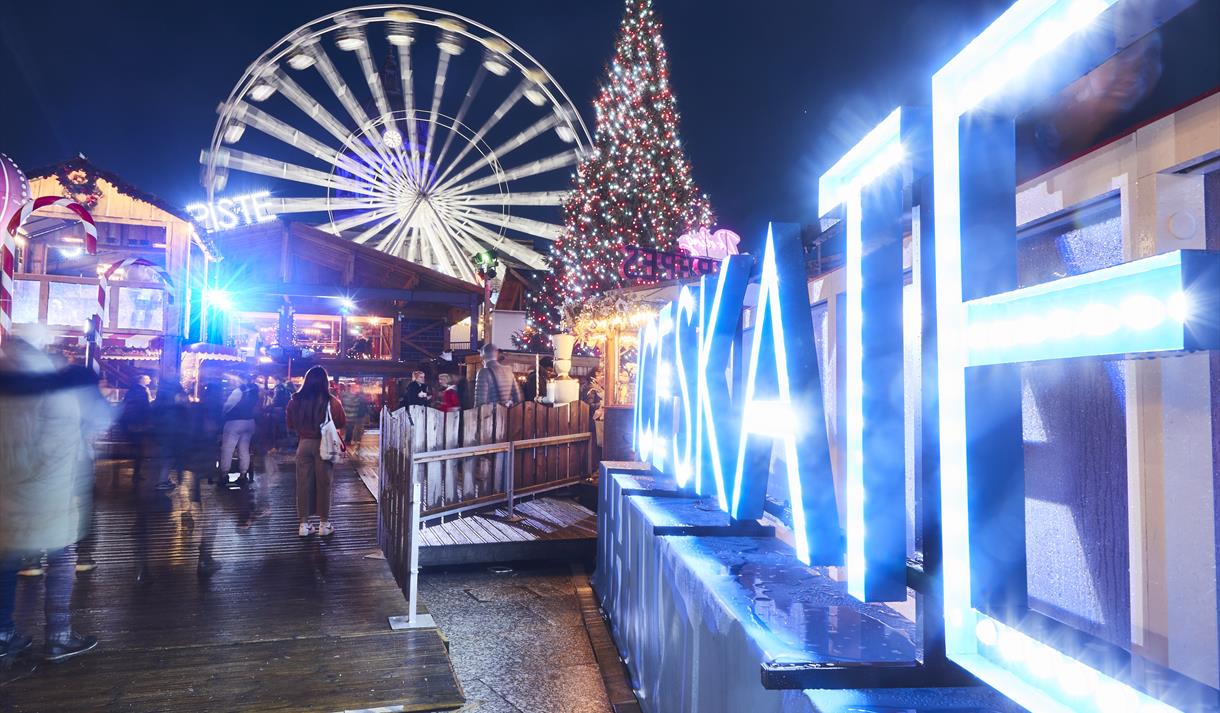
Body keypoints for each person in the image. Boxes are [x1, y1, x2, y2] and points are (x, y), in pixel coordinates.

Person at [0, 337, 101, 663]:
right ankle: (59, 635)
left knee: (5, 561)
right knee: (61, 559)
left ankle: (2, 633)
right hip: (50, 494)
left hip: (8, 496)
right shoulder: (57, 398)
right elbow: (67, 450)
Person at [286, 366, 346, 537]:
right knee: (324, 483)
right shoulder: (332, 402)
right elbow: (341, 422)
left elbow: (290, 423)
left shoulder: (295, 401)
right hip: (324, 445)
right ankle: (324, 524)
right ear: (324, 382)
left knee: (303, 484)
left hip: (304, 444)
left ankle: (304, 525)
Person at [218, 374, 260, 488]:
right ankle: (243, 474)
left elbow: (228, 406)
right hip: (250, 422)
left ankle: (224, 474)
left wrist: (222, 414)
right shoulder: (254, 392)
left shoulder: (238, 391)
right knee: (244, 449)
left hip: (234, 422)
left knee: (228, 449)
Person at [151, 383, 191, 491]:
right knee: (168, 458)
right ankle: (162, 481)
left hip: (162, 433)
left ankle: (164, 479)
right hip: (171, 435)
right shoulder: (175, 407)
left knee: (167, 457)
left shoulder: (162, 404)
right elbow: (181, 419)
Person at [118, 374, 153, 481]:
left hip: (129, 422)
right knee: (139, 448)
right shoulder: (143, 391)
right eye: (147, 378)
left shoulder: (131, 390)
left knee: (136, 447)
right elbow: (146, 407)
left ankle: (136, 473)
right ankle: (136, 474)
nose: (150, 380)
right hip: (138, 423)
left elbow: (124, 405)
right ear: (142, 380)